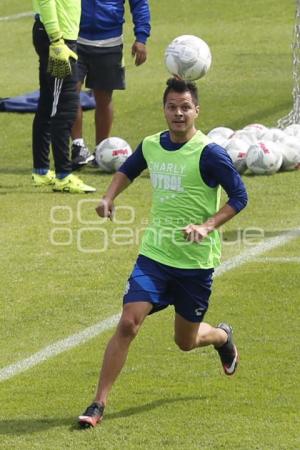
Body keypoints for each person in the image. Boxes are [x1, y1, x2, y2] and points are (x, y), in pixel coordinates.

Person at [78, 78, 248, 428]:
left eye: (185, 107)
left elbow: (239, 197)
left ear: (196, 110)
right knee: (128, 323)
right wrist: (109, 197)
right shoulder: (153, 145)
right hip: (155, 256)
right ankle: (98, 404)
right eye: (172, 106)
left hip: (195, 263)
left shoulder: (209, 153)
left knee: (185, 341)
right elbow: (129, 169)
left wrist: (208, 225)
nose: (179, 113)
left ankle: (221, 336)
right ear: (164, 110)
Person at [70, 0, 151, 170]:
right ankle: (78, 147)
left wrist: (141, 38)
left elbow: (140, 4)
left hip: (110, 43)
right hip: (74, 38)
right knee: (70, 93)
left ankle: (101, 149)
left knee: (103, 97)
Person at [31, 0, 96, 193]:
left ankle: (42, 171)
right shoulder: (56, 39)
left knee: (48, 102)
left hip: (55, 36)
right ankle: (63, 176)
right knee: (65, 107)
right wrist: (57, 39)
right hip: (58, 40)